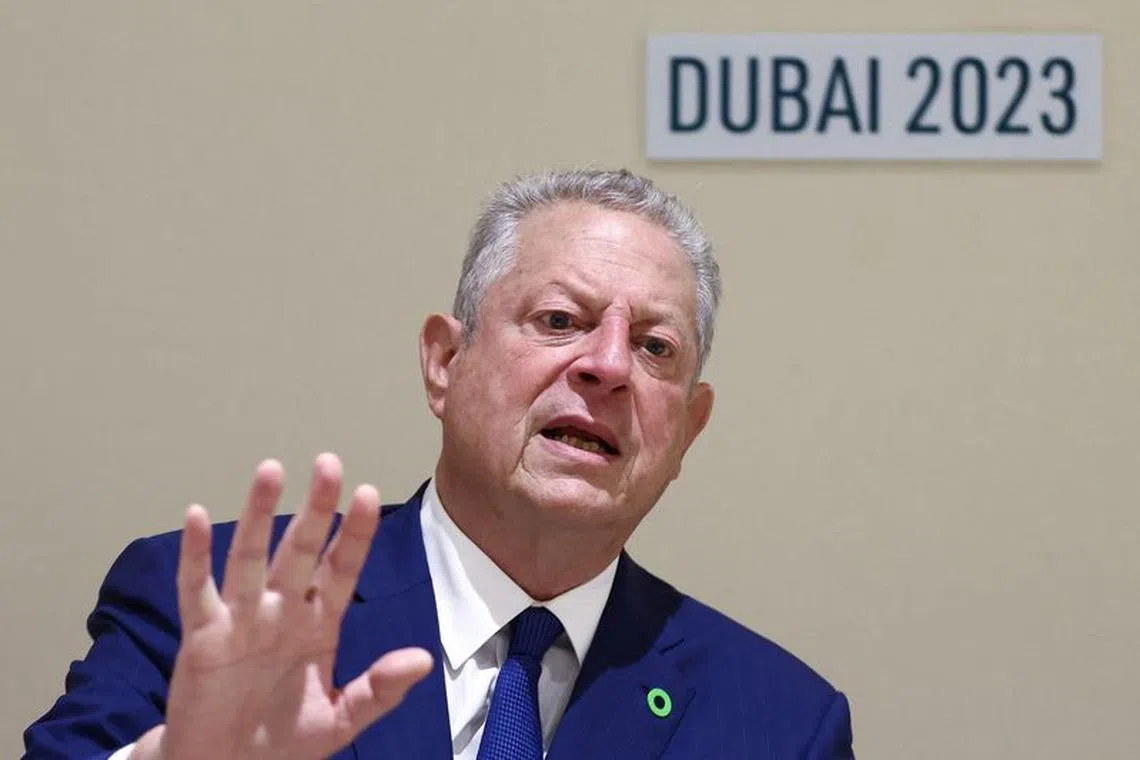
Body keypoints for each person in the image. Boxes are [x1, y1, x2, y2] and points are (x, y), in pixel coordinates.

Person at [23, 169, 855, 759]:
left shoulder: (781, 723)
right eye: (561, 319)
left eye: (654, 346)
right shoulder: (213, 610)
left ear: (689, 429)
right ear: (443, 364)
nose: (607, 366)